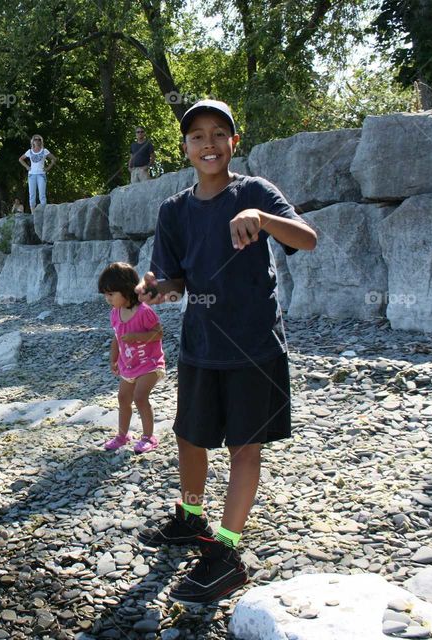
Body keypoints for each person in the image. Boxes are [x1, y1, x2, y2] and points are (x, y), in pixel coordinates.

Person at [135, 100, 317, 605]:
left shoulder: (254, 191)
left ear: (234, 142)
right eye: (197, 136)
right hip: (201, 344)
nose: (208, 143)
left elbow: (307, 238)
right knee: (189, 438)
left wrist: (262, 218)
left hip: (254, 345)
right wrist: (157, 290)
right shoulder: (173, 210)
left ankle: (227, 553)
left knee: (243, 447)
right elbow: (174, 282)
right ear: (185, 146)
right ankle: (190, 518)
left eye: (219, 134)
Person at [98, 262, 165, 453]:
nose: (107, 299)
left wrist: (137, 337)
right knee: (123, 398)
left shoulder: (144, 312)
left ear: (127, 290)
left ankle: (148, 437)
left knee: (140, 396)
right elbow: (116, 338)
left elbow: (158, 333)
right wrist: (113, 359)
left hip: (150, 363)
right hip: (129, 364)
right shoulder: (115, 313)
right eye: (105, 294)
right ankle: (122, 435)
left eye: (111, 294)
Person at [19, 134, 57, 210]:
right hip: (31, 175)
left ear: (41, 141)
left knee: (42, 195)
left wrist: (48, 168)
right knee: (32, 195)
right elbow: (20, 159)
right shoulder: (29, 151)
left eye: (39, 139)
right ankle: (33, 214)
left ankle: (43, 212)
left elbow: (54, 159)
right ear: (32, 141)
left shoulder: (44, 151)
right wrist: (27, 166)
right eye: (35, 139)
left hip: (41, 175)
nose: (37, 141)